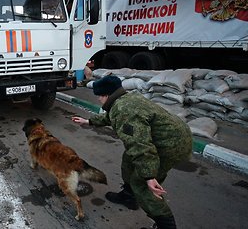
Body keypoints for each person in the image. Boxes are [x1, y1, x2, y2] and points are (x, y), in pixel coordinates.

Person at [72, 75, 192, 229]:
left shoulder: (124, 110)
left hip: (170, 145)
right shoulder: (124, 100)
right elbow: (111, 117)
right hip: (171, 137)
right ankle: (129, 197)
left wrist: (149, 176)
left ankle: (166, 225)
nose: (98, 100)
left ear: (105, 95)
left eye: (98, 97)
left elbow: (140, 145)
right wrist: (88, 121)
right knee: (129, 160)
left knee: (142, 184)